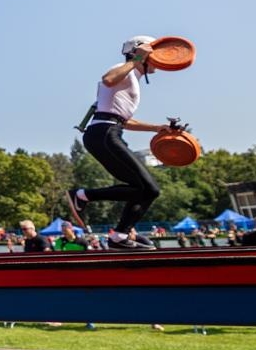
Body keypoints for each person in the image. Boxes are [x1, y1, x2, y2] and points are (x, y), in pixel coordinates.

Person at [65, 36, 181, 250]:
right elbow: (107, 78)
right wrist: (136, 58)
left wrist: (158, 128)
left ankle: (118, 236)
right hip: (104, 133)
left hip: (108, 132)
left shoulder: (133, 77)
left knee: (143, 189)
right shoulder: (123, 68)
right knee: (150, 189)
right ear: (140, 52)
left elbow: (123, 120)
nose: (158, 59)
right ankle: (84, 197)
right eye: (153, 54)